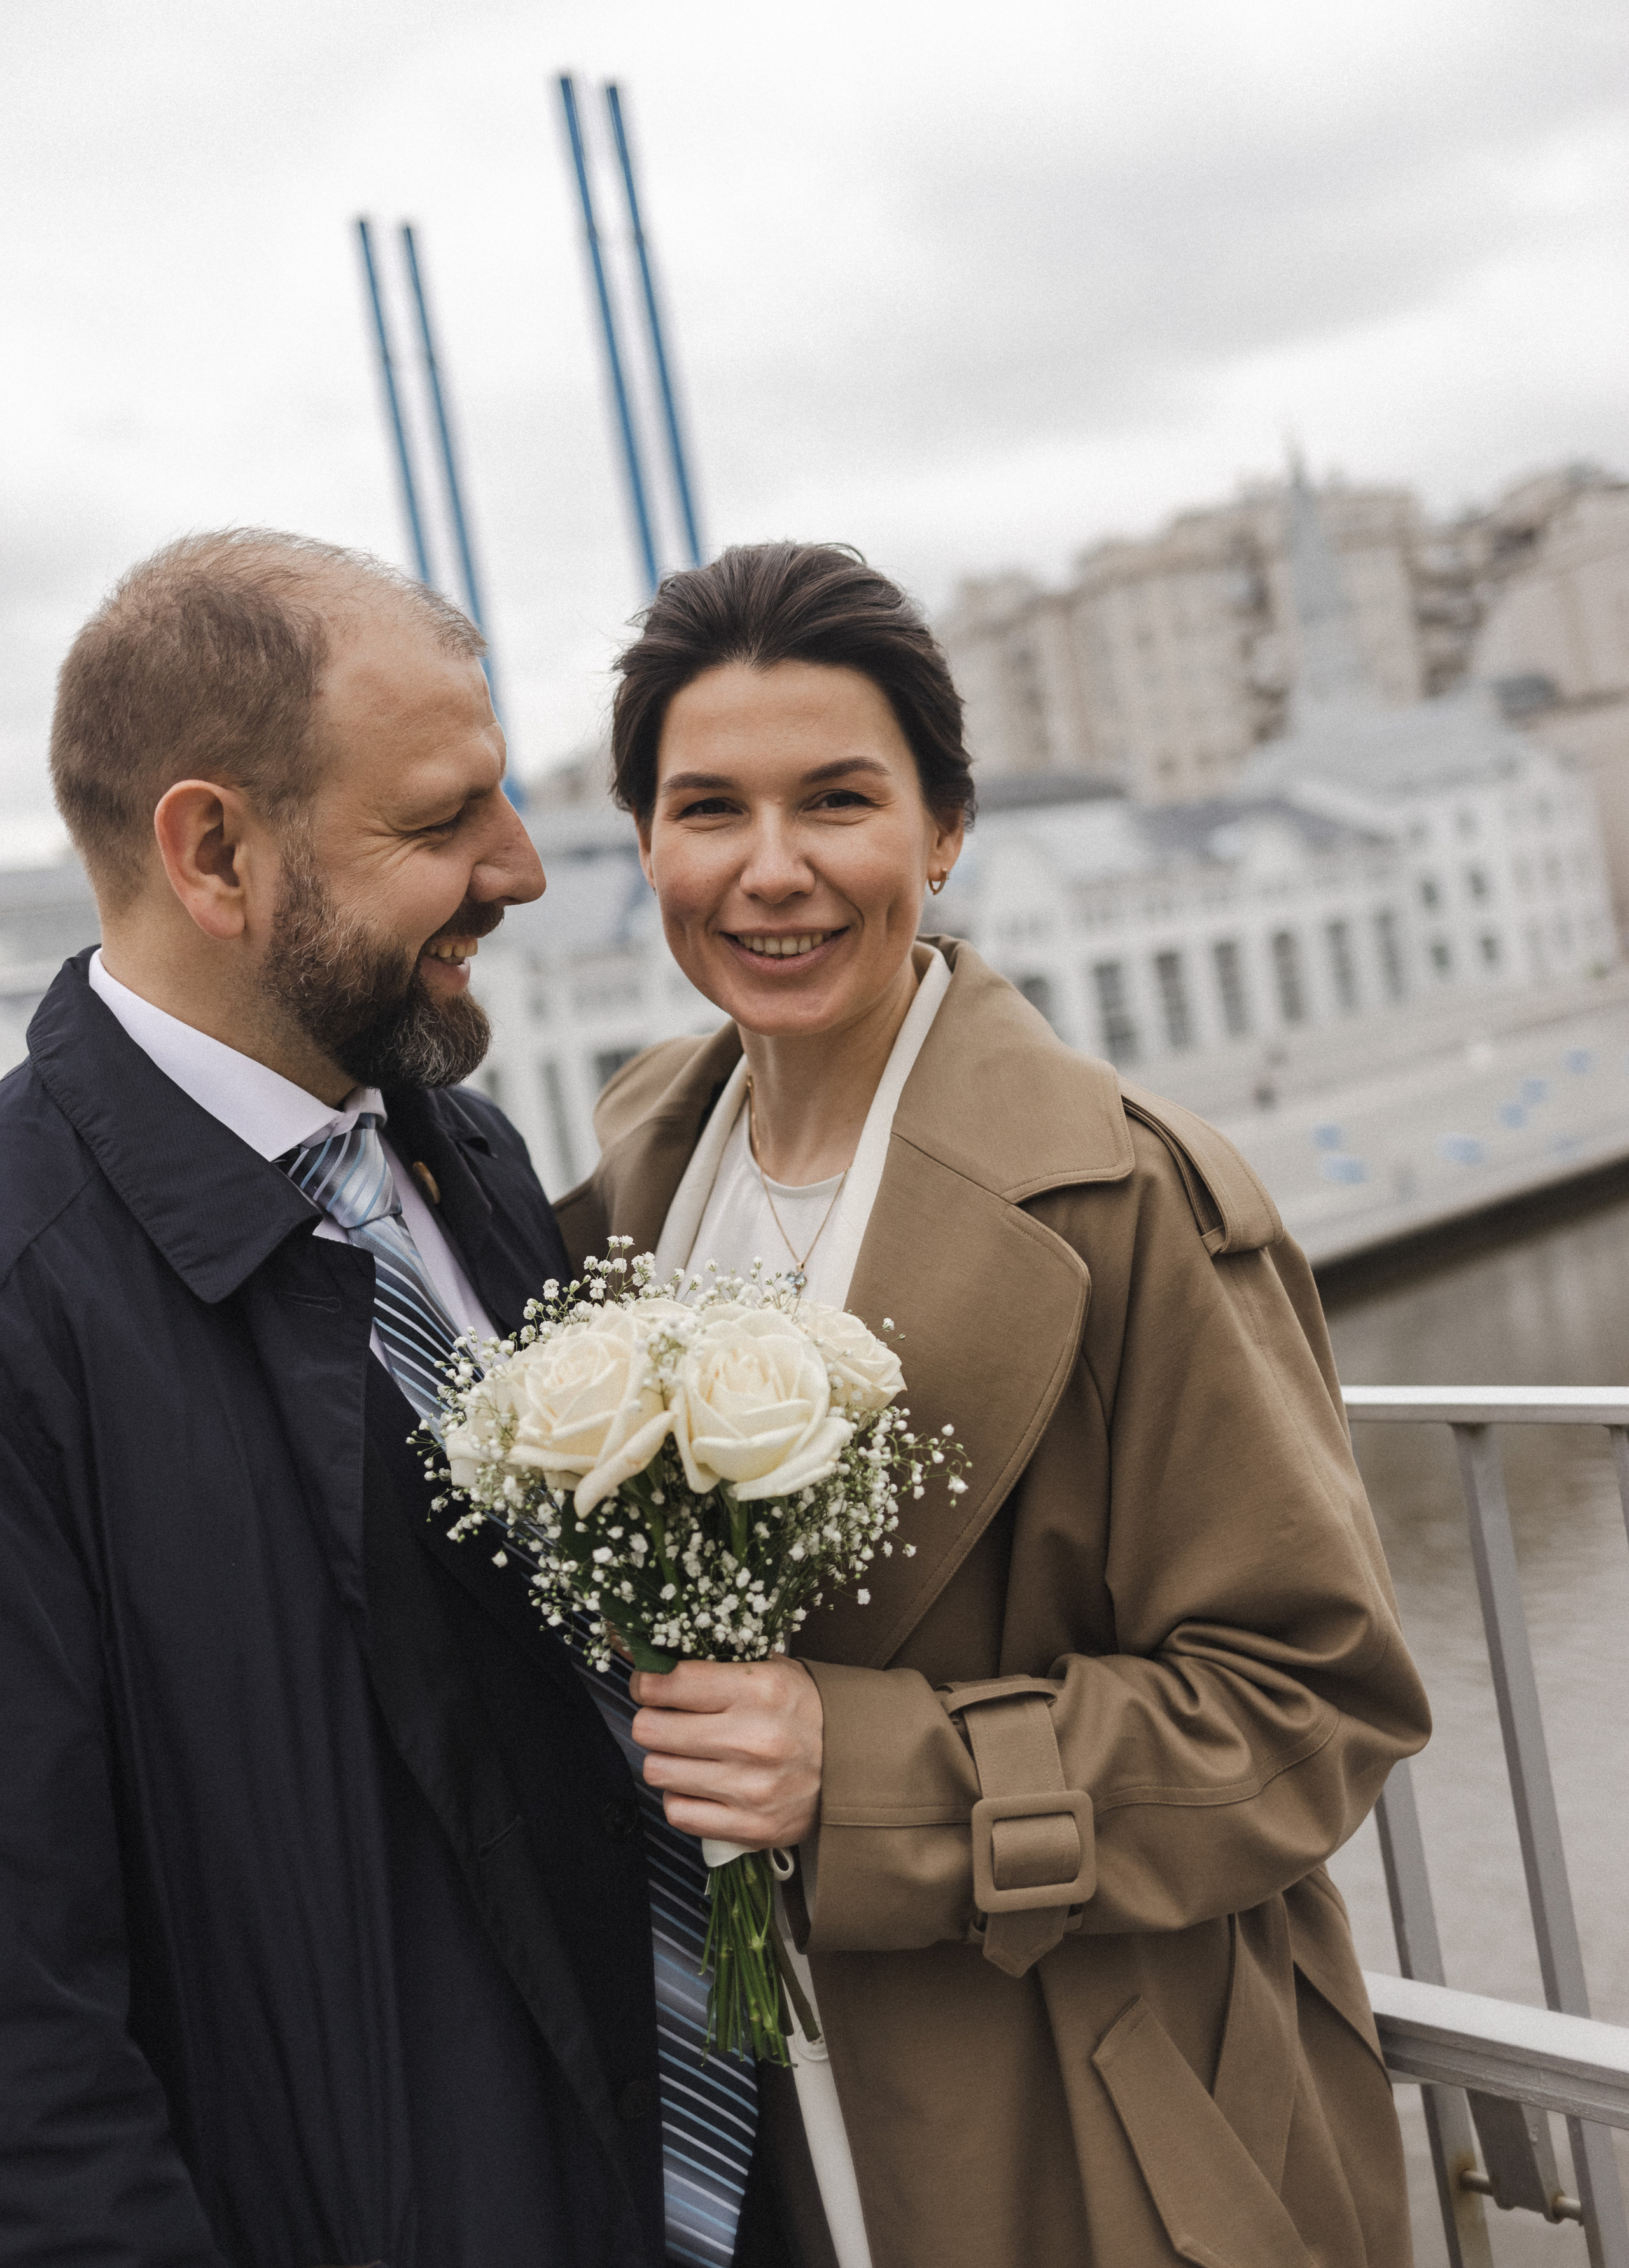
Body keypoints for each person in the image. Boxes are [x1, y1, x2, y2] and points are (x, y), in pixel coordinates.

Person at [557, 541, 1434, 2268]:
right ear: (645, 842)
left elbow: (1313, 1706)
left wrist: (872, 1769)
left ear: (944, 831)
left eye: (839, 801)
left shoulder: (1128, 1197)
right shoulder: (638, 1165)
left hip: (1092, 2136)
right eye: (709, 808)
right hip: (763, 2135)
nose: (774, 871)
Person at [0, 532, 672, 2268]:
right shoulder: (20, 1303)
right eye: (445, 821)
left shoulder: (465, 1147)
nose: (522, 867)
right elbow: (30, 2054)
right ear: (214, 851)